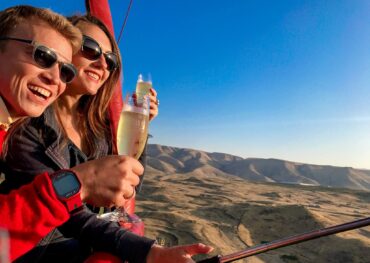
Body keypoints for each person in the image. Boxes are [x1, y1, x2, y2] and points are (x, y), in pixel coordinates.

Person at [1, 8, 213, 263]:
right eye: (90, 49)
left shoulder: (98, 126)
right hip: (42, 250)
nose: (103, 64)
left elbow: (129, 184)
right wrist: (147, 251)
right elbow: (72, 217)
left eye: (111, 61)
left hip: (84, 244)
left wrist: (141, 129)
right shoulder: (24, 123)